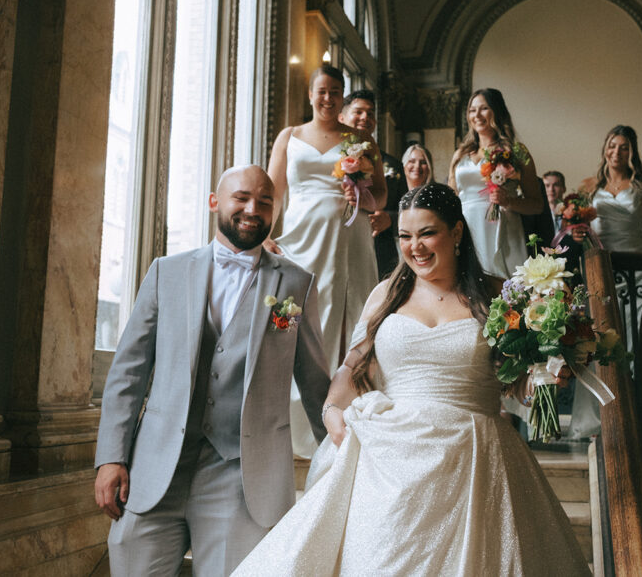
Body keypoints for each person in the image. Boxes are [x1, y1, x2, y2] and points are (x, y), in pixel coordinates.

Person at [232, 183, 590, 576]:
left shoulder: (496, 295)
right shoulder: (387, 294)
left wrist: (548, 375)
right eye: (404, 236)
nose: (414, 246)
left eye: (426, 233)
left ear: (456, 233)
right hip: (390, 455)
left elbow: (515, 381)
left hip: (472, 453)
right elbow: (353, 368)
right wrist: (333, 408)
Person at [94, 165, 331, 576]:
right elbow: (128, 373)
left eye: (264, 202)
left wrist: (338, 457)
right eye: (241, 197)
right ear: (214, 202)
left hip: (241, 479)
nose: (252, 209)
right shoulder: (165, 273)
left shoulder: (296, 285)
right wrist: (111, 457)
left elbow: (315, 385)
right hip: (153, 471)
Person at [265, 65, 387, 457]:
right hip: (302, 239)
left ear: (342, 96)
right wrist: (265, 235)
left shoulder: (361, 139)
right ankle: (291, 422)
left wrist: (362, 198)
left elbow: (381, 196)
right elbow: (275, 192)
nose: (328, 98)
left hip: (346, 239)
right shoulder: (290, 136)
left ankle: (344, 415)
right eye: (322, 90)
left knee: (347, 317)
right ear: (311, 93)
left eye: (336, 91)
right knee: (297, 318)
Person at [571, 125, 642, 436]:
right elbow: (580, 230)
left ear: (632, 152)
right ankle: (609, 411)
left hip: (641, 270)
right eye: (612, 146)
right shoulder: (587, 187)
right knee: (603, 342)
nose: (617, 152)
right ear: (604, 149)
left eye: (624, 147)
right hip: (603, 272)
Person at [448, 88, 545, 279]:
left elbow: (537, 204)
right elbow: (452, 199)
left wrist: (508, 201)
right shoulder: (460, 154)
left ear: (497, 111)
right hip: (468, 226)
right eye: (472, 110)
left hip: (503, 227)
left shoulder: (516, 151)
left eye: (483, 108)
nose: (477, 115)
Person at [340, 89, 407, 280]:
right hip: (341, 243)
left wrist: (390, 219)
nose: (365, 118)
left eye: (370, 114)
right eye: (358, 112)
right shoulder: (330, 160)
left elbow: (407, 210)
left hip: (380, 251)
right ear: (342, 117)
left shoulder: (392, 164)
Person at [543, 170, 567, 234]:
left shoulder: (574, 212)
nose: (551, 189)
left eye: (556, 185)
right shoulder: (538, 214)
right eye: (547, 186)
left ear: (564, 188)